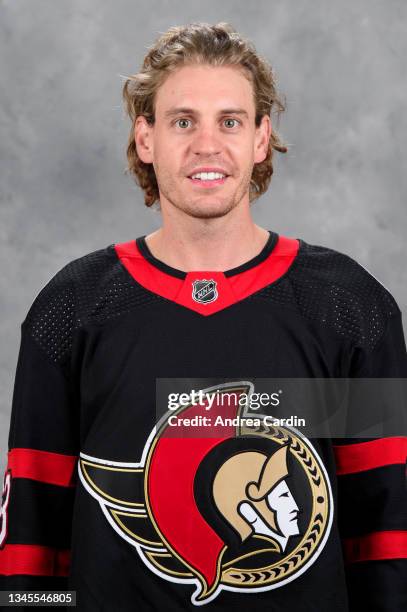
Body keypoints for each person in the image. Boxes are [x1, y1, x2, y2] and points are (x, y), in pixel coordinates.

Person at [0, 21, 406, 611]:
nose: (207, 145)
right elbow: (31, 545)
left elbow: (387, 532)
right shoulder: (70, 309)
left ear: (262, 138)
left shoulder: (352, 307)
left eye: (231, 121)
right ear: (146, 138)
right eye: (183, 121)